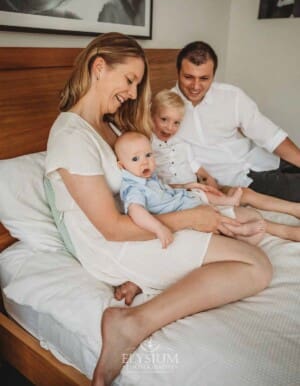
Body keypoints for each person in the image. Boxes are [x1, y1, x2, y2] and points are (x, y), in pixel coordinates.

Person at [45, 32, 272, 386]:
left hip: (142, 224)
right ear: (99, 67)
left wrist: (190, 198)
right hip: (114, 242)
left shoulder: (110, 125)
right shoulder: (71, 136)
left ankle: (147, 281)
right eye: (130, 80)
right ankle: (133, 322)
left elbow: (144, 185)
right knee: (256, 266)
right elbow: (110, 228)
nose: (134, 94)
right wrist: (189, 219)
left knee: (248, 230)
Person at [115, 130, 300, 249]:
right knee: (215, 218)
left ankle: (230, 202)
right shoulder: (133, 189)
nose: (146, 161)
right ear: (122, 166)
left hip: (183, 197)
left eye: (148, 155)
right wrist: (158, 228)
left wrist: (187, 185)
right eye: (135, 159)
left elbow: (169, 185)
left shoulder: (149, 174)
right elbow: (136, 211)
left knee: (203, 194)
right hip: (180, 211)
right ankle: (241, 230)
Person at [171, 41, 300, 202]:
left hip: (261, 159)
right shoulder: (163, 110)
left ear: (213, 75)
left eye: (204, 78)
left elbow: (270, 135)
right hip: (239, 179)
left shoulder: (232, 96)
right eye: (188, 77)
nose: (195, 86)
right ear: (178, 72)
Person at [151, 89, 300, 221]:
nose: (170, 127)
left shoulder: (182, 143)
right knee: (241, 197)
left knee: (242, 193)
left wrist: (210, 182)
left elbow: (199, 170)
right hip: (191, 190)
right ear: (151, 116)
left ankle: (293, 209)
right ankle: (287, 221)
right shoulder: (147, 144)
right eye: (164, 119)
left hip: (255, 161)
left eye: (176, 123)